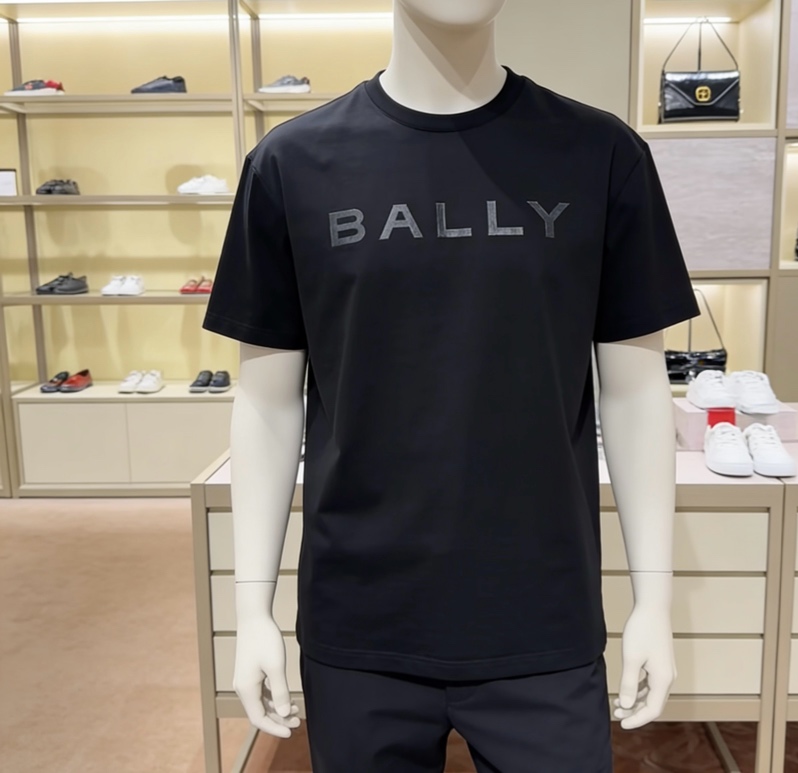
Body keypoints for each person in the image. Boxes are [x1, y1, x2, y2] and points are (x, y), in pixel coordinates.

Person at [202, 1, 700, 769]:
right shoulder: (291, 163)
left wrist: (653, 600)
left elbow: (634, 391)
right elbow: (267, 401)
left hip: (542, 616)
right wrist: (252, 607)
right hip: (360, 621)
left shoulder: (600, 153)